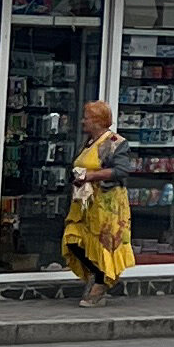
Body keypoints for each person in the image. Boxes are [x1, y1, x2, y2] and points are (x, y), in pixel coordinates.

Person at [63, 100, 134, 305]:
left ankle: (101, 282)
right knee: (73, 237)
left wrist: (91, 176)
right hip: (84, 201)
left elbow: (122, 170)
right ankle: (95, 274)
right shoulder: (87, 142)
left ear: (98, 121)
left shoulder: (115, 142)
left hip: (106, 202)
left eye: (87, 117)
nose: (83, 121)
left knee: (102, 241)